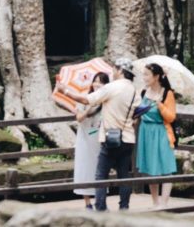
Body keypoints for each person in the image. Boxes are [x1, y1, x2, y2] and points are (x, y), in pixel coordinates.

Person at [59, 57, 138, 211]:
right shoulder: (134, 90)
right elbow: (137, 113)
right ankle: (124, 208)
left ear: (121, 70)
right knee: (124, 175)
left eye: (115, 69)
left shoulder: (112, 87)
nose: (113, 72)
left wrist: (65, 91)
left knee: (101, 176)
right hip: (128, 137)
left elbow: (86, 99)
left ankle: (100, 209)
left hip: (110, 138)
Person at [133, 62, 177, 207]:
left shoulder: (167, 93)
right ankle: (155, 202)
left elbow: (171, 117)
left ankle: (164, 203)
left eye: (147, 74)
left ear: (156, 76)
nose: (144, 77)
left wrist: (160, 105)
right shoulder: (143, 92)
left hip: (161, 131)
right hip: (145, 131)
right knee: (151, 170)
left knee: (166, 168)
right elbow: (137, 113)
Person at [73, 72, 110, 210]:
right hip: (84, 138)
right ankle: (87, 203)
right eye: (95, 81)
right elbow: (79, 118)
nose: (97, 84)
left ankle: (100, 202)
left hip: (99, 139)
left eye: (101, 82)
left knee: (100, 170)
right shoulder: (83, 99)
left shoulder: (107, 101)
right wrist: (88, 108)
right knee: (84, 169)